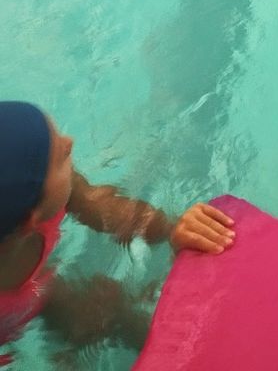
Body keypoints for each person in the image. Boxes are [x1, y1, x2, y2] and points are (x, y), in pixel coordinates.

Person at [0, 102, 234, 358]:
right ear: (30, 220)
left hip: (36, 283)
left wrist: (172, 228)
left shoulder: (44, 194)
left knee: (109, 308)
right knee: (101, 317)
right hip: (10, 312)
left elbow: (108, 209)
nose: (69, 143)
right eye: (59, 157)